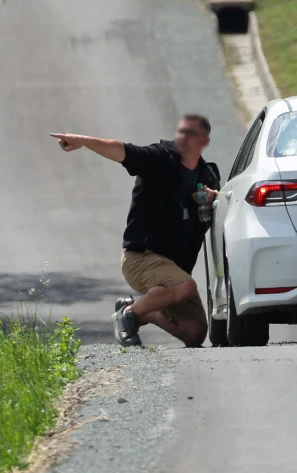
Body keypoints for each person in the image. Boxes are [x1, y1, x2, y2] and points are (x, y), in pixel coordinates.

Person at [51, 115, 221, 348]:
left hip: (175, 271)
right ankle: (129, 314)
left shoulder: (208, 175)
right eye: (180, 131)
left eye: (191, 133)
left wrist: (213, 200)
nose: (183, 137)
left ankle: (140, 309)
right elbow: (122, 151)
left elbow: (221, 213)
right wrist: (84, 141)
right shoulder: (158, 158)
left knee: (194, 333)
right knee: (185, 286)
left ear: (205, 140)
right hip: (141, 258)